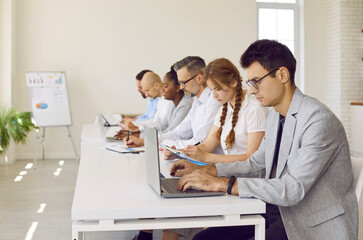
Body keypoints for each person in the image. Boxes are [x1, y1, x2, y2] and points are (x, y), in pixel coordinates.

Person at [170, 39, 358, 240]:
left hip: (308, 225)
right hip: (278, 213)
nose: (251, 90)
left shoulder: (318, 120)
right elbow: (257, 163)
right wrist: (206, 170)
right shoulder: (277, 115)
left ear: (282, 74)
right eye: (250, 83)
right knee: (203, 239)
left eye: (256, 81)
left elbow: (292, 188)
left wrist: (221, 184)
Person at [181, 58, 268, 164]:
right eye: (211, 89)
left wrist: (206, 157)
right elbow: (208, 144)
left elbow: (251, 158)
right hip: (231, 172)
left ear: (233, 82)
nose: (214, 95)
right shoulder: (224, 109)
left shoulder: (254, 109)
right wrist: (181, 153)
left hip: (248, 177)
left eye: (217, 89)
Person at [160, 56, 222, 155]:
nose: (181, 87)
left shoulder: (215, 99)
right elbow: (178, 132)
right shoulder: (197, 100)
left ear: (199, 78)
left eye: (183, 83)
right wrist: (154, 141)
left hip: (214, 162)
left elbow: (200, 141)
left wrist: (166, 144)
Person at [124, 67, 194, 146]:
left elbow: (172, 132)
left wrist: (141, 139)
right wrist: (139, 132)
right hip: (168, 143)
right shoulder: (171, 102)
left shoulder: (185, 105)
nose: (163, 89)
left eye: (166, 86)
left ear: (178, 87)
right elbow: (161, 125)